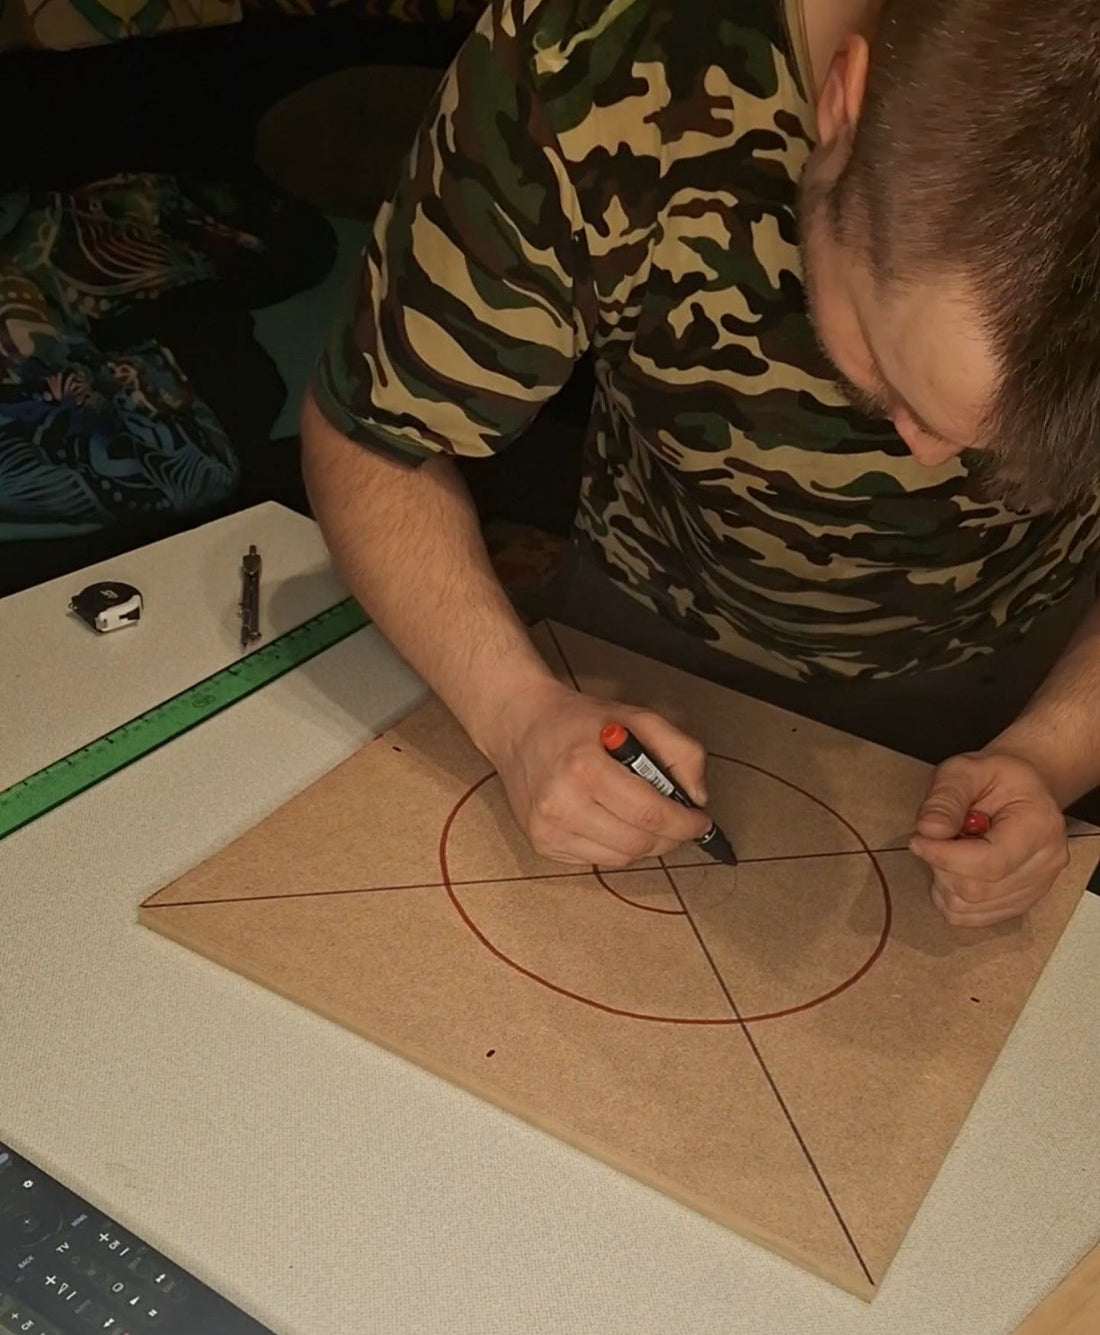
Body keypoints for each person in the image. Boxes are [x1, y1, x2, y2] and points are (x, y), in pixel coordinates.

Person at [300, 0, 1100, 929]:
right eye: (892, 378)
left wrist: (1055, 752)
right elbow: (373, 434)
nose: (930, 456)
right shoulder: (585, 59)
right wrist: (515, 711)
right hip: (647, 636)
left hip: (1024, 666)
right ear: (841, 107)